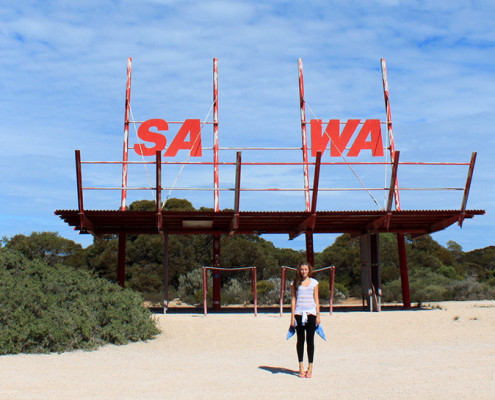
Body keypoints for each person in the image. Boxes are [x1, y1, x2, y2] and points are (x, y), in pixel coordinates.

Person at [290, 261, 320, 378]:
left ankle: (310, 367)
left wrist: (318, 314)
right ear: (299, 270)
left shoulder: (314, 283)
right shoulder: (295, 283)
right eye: (302, 269)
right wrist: (292, 316)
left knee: (310, 340)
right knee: (300, 340)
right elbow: (293, 299)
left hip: (311, 313)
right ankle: (301, 367)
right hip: (299, 313)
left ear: (309, 270)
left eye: (306, 269)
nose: (304, 272)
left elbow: (316, 299)